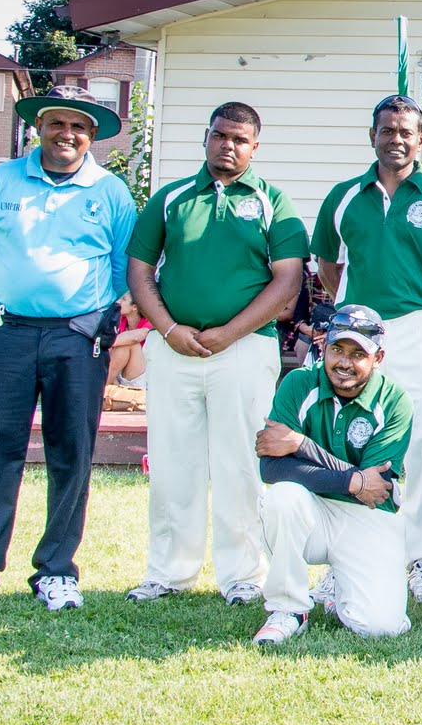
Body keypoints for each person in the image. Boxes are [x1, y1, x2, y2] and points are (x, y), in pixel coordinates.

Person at [126, 102, 308, 606]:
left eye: (240, 139)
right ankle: (169, 572)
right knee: (172, 462)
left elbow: (288, 279)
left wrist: (229, 332)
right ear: (206, 137)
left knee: (241, 463)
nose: (228, 146)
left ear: (255, 147)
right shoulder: (171, 198)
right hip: (174, 348)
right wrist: (167, 328)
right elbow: (139, 269)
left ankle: (243, 575)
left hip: (244, 349)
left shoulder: (273, 201)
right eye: (220, 135)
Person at [0, 91, 136, 612]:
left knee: (71, 453)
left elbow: (122, 266)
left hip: (77, 338)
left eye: (78, 127)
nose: (67, 134)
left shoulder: (110, 191)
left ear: (92, 135)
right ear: (39, 127)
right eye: (57, 123)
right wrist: (13, 295)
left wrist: (87, 314)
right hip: (8, 333)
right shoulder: (0, 181)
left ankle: (57, 571)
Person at [310, 92, 422, 605]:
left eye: (406, 132)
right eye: (387, 130)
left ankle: (421, 561)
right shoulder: (344, 196)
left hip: (420, 329)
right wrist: (356, 311)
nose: (396, 139)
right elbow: (329, 267)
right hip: (358, 333)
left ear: (421, 138)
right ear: (372, 136)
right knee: (350, 443)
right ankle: (342, 559)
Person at [250, 304, 412, 646]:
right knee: (282, 497)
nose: (344, 362)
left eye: (358, 354)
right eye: (337, 349)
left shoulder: (395, 400)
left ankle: (341, 585)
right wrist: (352, 480)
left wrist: (300, 445)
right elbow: (272, 467)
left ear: (378, 358)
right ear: (324, 346)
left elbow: (376, 487)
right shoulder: (298, 383)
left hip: (368, 515)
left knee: (381, 626)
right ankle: (289, 608)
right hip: (311, 511)